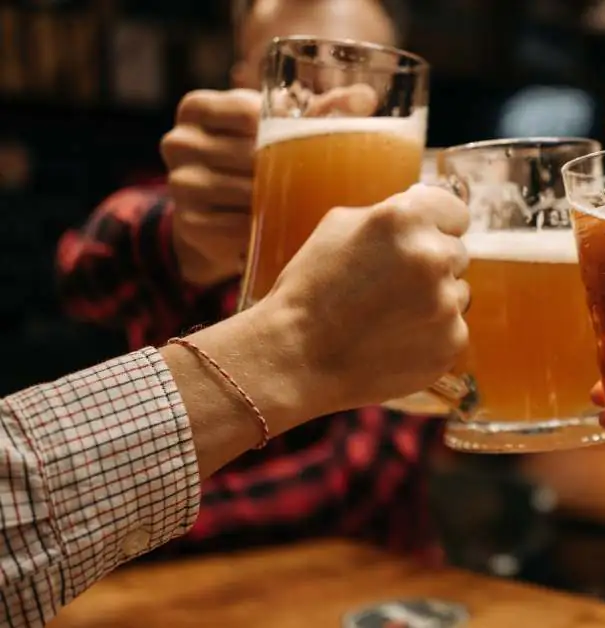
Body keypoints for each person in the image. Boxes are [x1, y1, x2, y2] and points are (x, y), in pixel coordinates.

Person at [53, 0, 434, 557]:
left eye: (363, 86)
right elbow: (85, 269)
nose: (333, 104)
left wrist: (112, 524)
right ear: (243, 87)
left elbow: (364, 471)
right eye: (301, 85)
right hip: (189, 587)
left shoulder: (425, 242)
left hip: (379, 580)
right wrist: (187, 243)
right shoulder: (192, 211)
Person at [4, 184, 470, 628]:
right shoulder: (166, 220)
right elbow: (84, 266)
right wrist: (289, 336)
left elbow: (366, 471)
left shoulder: (419, 260)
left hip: (374, 591)